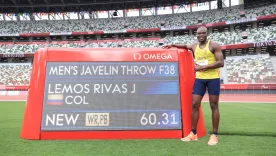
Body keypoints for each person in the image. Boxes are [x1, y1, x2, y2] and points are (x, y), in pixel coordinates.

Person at [162, 26, 224, 145]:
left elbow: (221, 62)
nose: (201, 35)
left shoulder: (214, 46)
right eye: (199, 34)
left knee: (213, 105)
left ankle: (214, 135)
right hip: (200, 79)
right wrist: (172, 44)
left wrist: (201, 67)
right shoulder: (194, 46)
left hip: (213, 79)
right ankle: (193, 133)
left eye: (203, 33)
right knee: (195, 104)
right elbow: (185, 46)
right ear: (196, 35)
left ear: (207, 34)